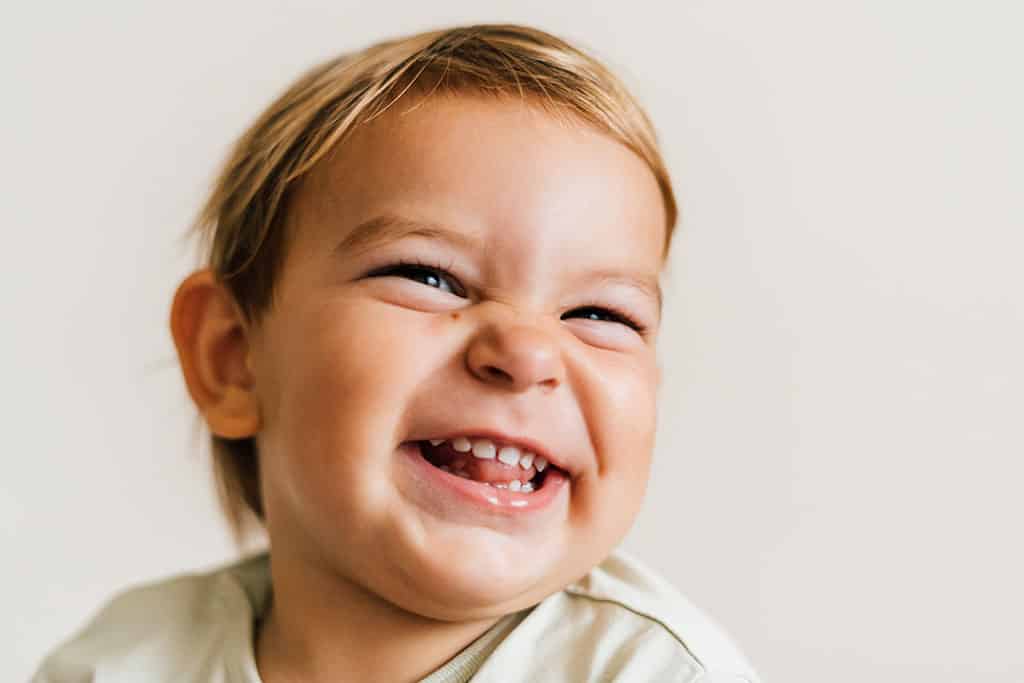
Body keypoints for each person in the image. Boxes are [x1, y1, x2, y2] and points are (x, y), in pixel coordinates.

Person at [33, 24, 760, 683]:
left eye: (600, 313)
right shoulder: (120, 662)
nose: (527, 349)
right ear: (234, 357)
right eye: (429, 276)